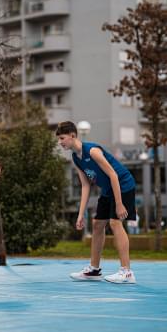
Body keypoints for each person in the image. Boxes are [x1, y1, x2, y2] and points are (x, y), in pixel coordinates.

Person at [56, 121, 136, 284]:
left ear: (72, 135)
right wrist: (80, 215)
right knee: (98, 224)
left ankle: (126, 272)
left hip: (123, 185)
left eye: (62, 138)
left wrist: (119, 203)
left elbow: (113, 175)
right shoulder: (76, 158)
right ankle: (94, 269)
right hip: (108, 190)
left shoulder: (92, 151)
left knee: (115, 223)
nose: (60, 142)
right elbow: (86, 185)